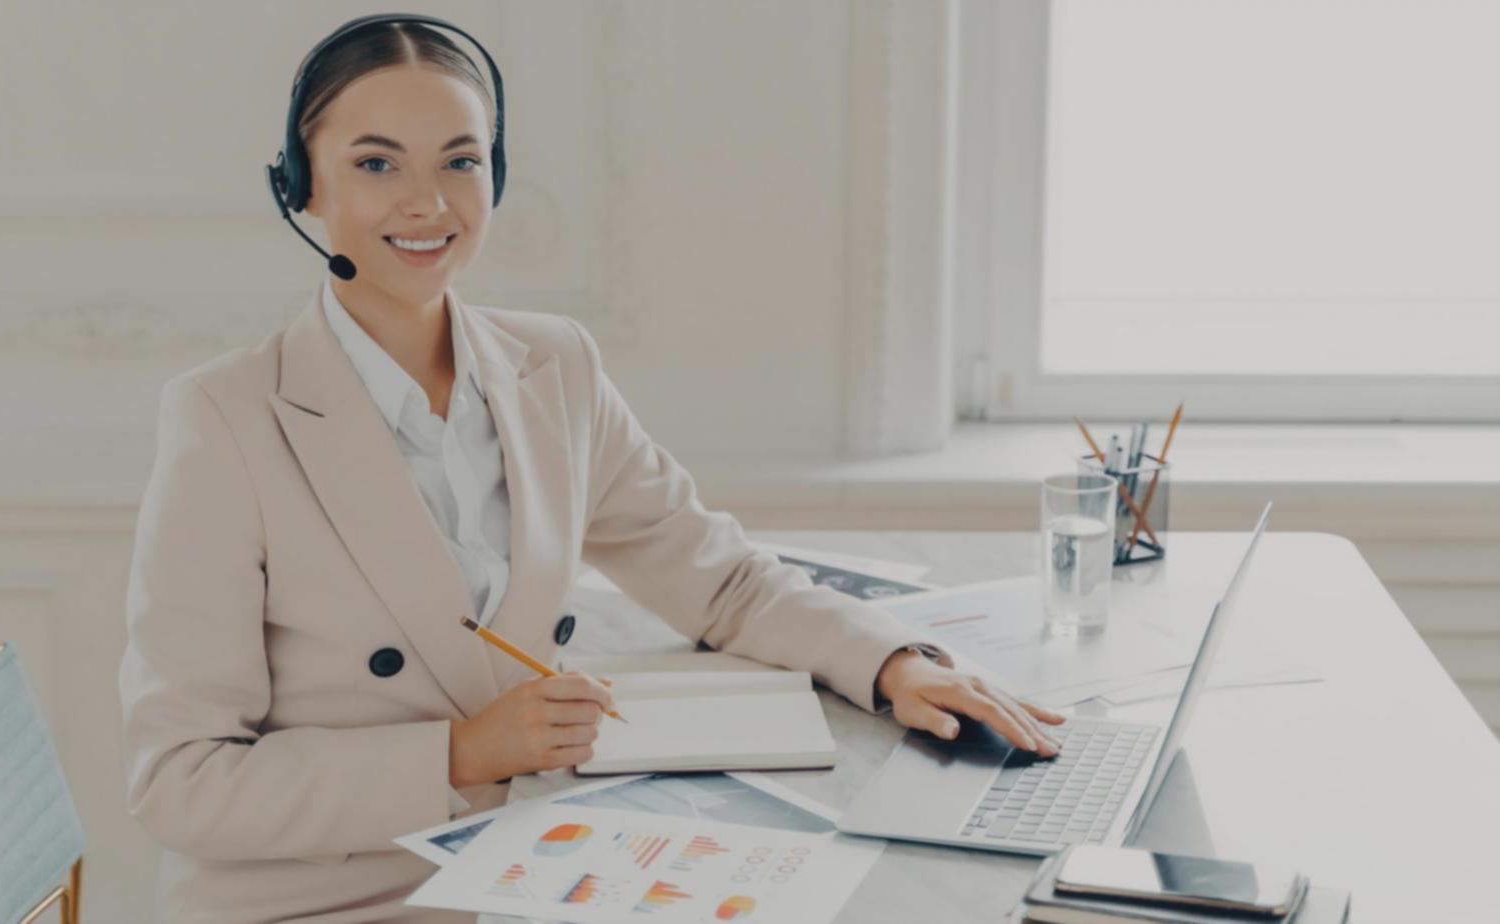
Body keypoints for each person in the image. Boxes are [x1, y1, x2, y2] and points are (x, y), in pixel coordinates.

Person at [118, 15, 1063, 923]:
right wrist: (458, 752)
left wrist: (890, 661)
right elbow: (179, 781)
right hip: (333, 898)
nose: (427, 203)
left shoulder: (552, 369)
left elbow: (720, 580)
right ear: (304, 189)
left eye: (460, 160)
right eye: (375, 164)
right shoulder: (227, 419)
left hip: (536, 863)